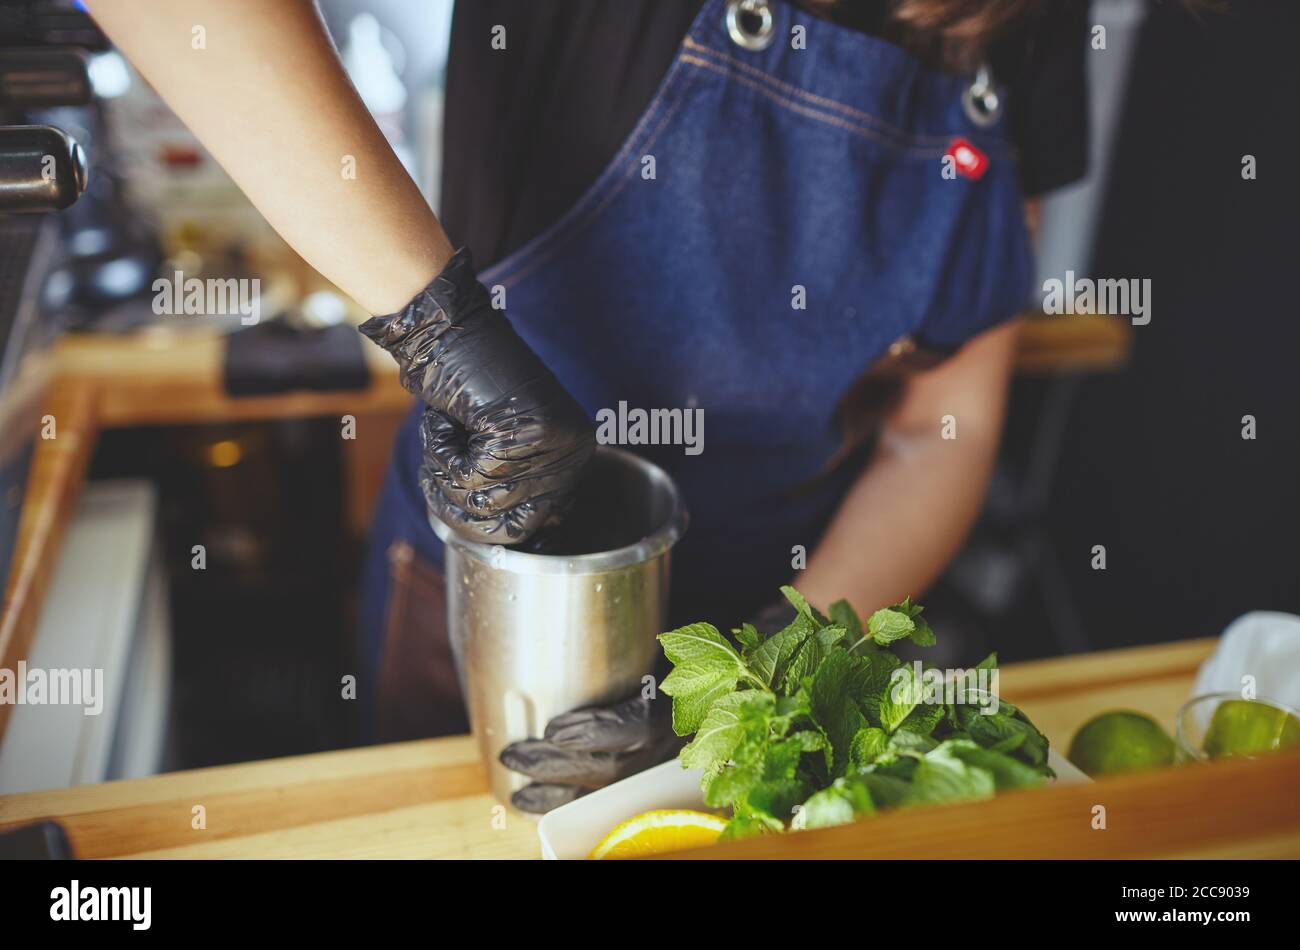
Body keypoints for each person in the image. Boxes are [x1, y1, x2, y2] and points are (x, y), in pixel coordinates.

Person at [87, 0, 1087, 812]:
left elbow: (939, 431)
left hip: (797, 598)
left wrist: (755, 691)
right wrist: (439, 330)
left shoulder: (1031, 25)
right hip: (500, 609)